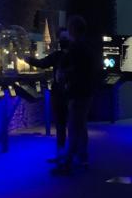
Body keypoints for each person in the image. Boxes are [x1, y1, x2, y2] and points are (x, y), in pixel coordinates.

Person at [51, 15, 98, 175]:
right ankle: (82, 159)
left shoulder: (76, 48)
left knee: (73, 127)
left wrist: (64, 74)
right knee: (81, 126)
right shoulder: (87, 47)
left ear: (72, 30)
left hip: (78, 93)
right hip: (87, 92)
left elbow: (72, 69)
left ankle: (68, 163)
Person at [29, 27, 70, 164]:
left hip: (70, 94)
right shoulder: (58, 55)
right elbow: (42, 63)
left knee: (71, 125)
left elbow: (42, 63)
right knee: (61, 125)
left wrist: (28, 59)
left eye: (65, 38)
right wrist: (29, 59)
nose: (63, 41)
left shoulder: (70, 55)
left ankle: (72, 155)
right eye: (62, 38)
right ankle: (62, 154)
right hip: (60, 95)